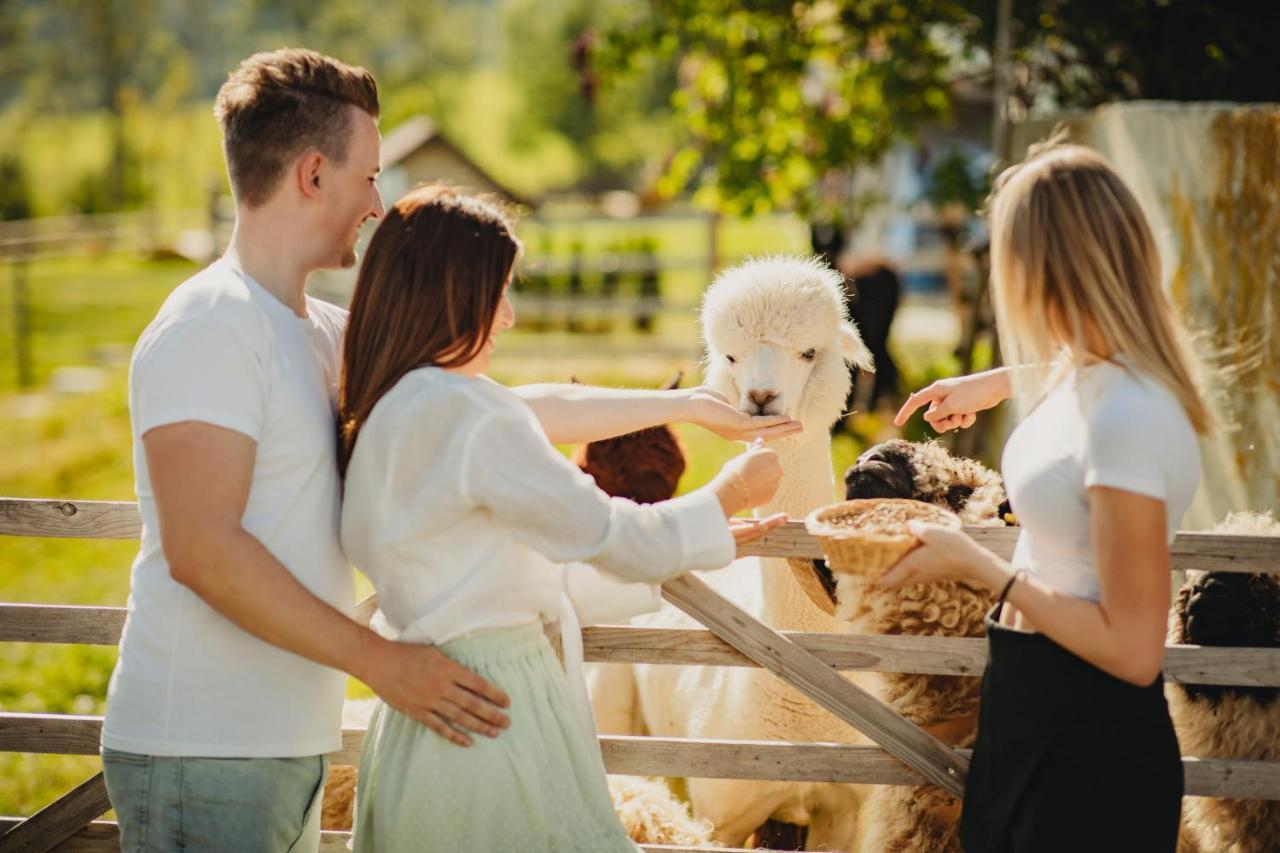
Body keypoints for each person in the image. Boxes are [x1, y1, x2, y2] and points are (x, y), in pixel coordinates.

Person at [100, 48, 796, 853]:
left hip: (280, 733)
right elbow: (202, 548)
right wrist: (384, 664)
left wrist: (682, 406)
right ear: (314, 174)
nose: (377, 200)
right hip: (205, 742)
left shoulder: (321, 336)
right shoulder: (210, 326)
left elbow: (491, 415)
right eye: (368, 175)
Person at [338, 185, 789, 852]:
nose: (510, 316)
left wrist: (691, 405)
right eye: (500, 294)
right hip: (497, 711)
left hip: (419, 729)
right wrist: (728, 492)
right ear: (455, 295)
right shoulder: (468, 418)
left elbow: (535, 408)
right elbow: (612, 536)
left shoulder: (390, 407)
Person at [886, 143, 1210, 852]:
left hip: (1088, 751)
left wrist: (982, 568)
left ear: (1045, 267)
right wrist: (998, 380)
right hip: (1031, 711)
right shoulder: (1095, 375)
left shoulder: (1129, 417)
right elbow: (1081, 377)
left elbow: (1132, 651)